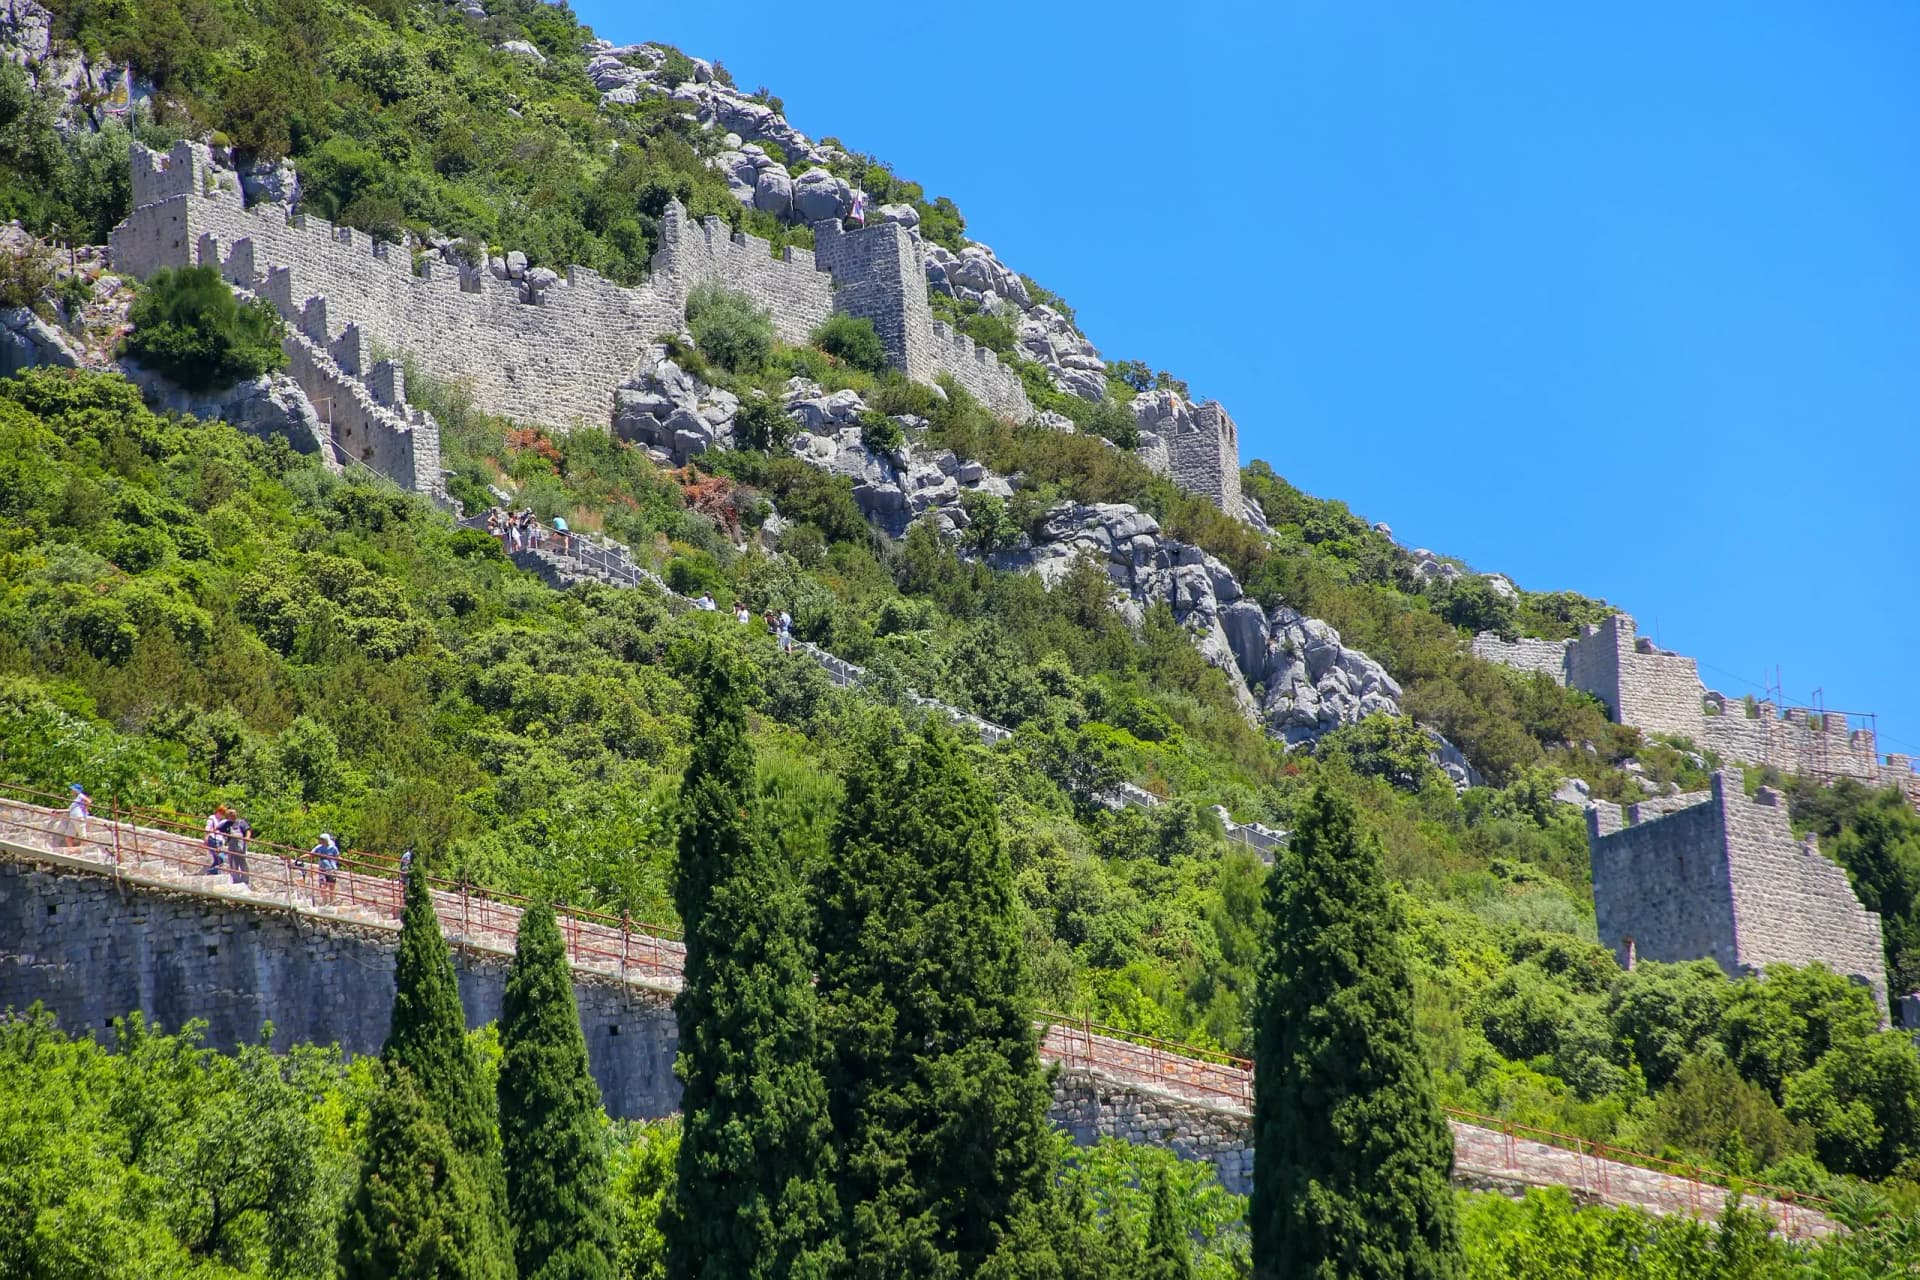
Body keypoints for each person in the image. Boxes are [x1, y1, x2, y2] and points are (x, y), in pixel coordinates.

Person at [312, 832, 341, 905]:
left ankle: (331, 902)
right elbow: (311, 854)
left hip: (331, 869)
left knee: (331, 886)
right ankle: (325, 902)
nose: (319, 841)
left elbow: (337, 857)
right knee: (322, 885)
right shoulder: (319, 848)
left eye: (321, 839)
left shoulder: (333, 848)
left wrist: (346, 863)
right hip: (322, 869)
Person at [60, 783, 90, 850]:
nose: (71, 791)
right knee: (68, 835)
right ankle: (71, 849)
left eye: (72, 790)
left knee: (82, 835)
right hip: (73, 818)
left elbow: (88, 801)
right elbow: (70, 810)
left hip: (78, 817)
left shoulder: (80, 796)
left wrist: (85, 808)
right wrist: (58, 811)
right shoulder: (76, 800)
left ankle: (84, 849)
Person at [225, 809, 251, 886]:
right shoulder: (228, 824)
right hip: (231, 845)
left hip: (240, 845)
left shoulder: (241, 822)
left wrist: (247, 837)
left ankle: (245, 880)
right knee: (233, 863)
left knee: (241, 861)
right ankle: (236, 880)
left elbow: (248, 830)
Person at [204, 804, 228, 874]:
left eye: (223, 814)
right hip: (213, 839)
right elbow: (208, 828)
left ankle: (212, 873)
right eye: (221, 813)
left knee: (217, 859)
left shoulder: (221, 821)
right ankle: (210, 872)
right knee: (220, 858)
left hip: (219, 840)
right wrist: (206, 838)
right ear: (217, 811)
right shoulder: (212, 818)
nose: (221, 815)